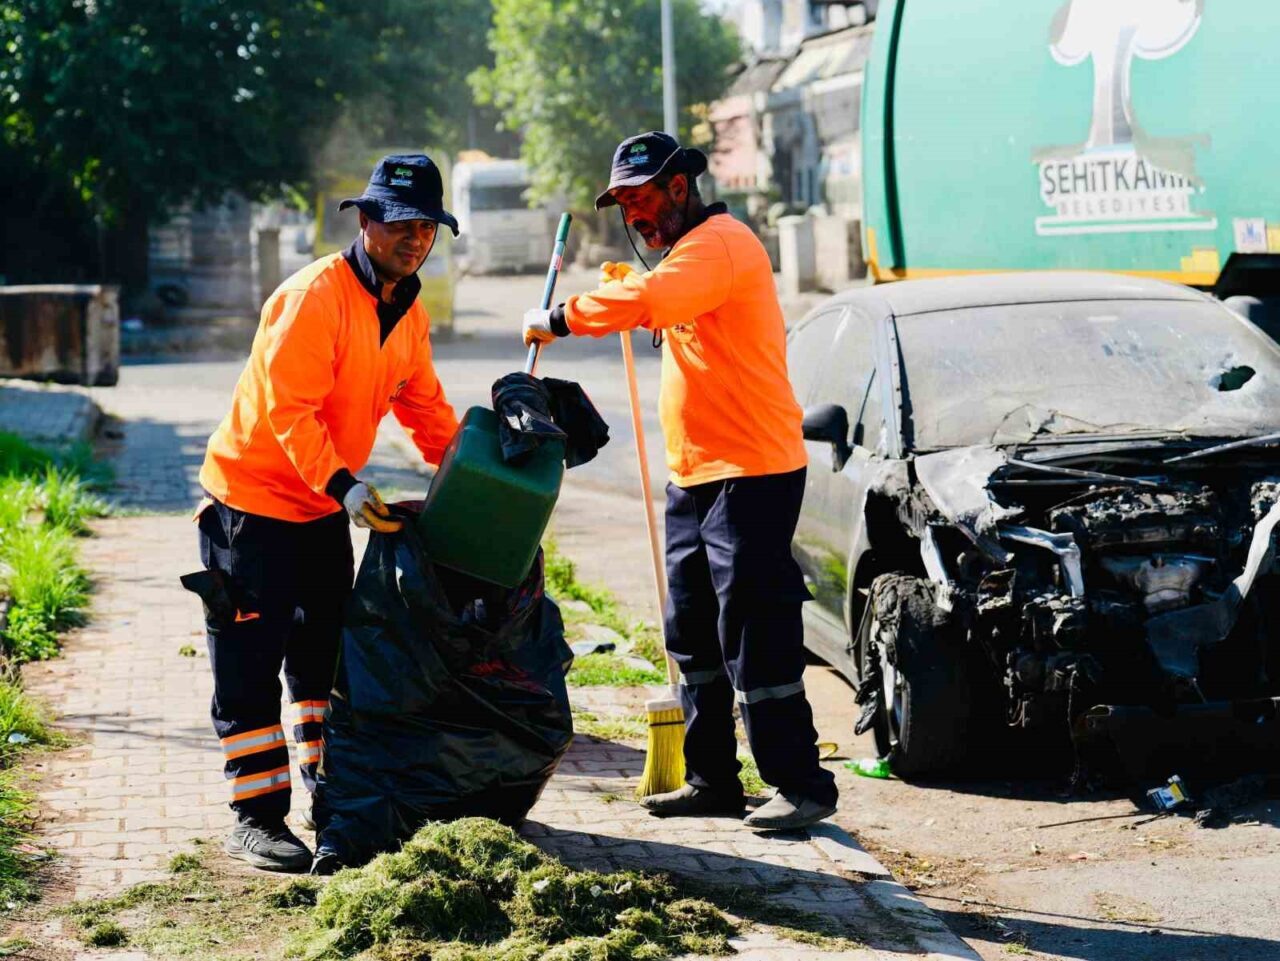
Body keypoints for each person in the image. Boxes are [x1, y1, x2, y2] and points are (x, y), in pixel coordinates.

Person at [523, 132, 838, 830]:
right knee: (690, 629)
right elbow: (651, 297)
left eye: (642, 198)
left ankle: (802, 782)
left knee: (754, 632)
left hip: (752, 471)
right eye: (624, 205)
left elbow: (655, 298)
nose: (635, 215)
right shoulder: (681, 258)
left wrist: (562, 317)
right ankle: (712, 779)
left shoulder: (721, 244)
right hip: (694, 473)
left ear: (678, 187)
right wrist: (621, 291)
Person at [189, 154, 460, 871]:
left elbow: (425, 406)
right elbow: (289, 411)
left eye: (426, 225)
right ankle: (256, 815)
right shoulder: (316, 297)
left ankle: (330, 798)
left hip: (317, 510)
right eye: (401, 222)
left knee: (322, 665)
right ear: (365, 221)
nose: (415, 237)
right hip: (252, 506)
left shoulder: (406, 309)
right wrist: (345, 486)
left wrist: (474, 470)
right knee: (249, 669)